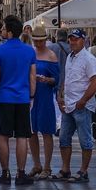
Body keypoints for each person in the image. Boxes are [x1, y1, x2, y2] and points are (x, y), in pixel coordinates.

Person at [0, 15, 37, 186]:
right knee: (22, 136)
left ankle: (5, 173)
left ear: (9, 32)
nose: (1, 31)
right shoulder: (29, 51)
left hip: (5, 98)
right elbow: (32, 76)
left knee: (3, 135)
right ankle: (21, 173)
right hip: (23, 98)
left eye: (2, 29)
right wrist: (32, 95)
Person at [56, 29, 96, 182]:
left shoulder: (89, 59)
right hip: (69, 105)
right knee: (63, 138)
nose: (72, 42)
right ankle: (65, 169)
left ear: (83, 40)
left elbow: (95, 82)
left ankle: (83, 170)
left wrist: (83, 100)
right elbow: (67, 78)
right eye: (71, 39)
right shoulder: (70, 57)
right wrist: (61, 94)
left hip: (82, 106)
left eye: (75, 39)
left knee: (85, 139)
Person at [29, 24, 61, 180]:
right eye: (36, 41)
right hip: (32, 96)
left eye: (41, 41)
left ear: (46, 40)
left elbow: (57, 80)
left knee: (47, 131)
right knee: (31, 131)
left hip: (46, 96)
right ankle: (36, 164)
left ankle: (47, 166)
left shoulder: (51, 56)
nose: (38, 44)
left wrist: (47, 79)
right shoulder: (31, 53)